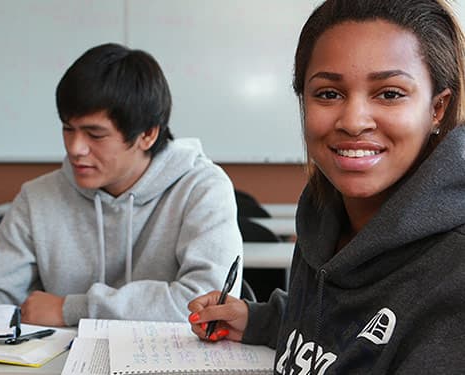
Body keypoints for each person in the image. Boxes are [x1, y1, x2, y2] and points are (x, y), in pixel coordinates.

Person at [188, 0, 465, 373]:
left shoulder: (454, 269)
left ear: (438, 108)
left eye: (390, 93)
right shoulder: (324, 214)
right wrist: (259, 320)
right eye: (328, 94)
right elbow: (344, 326)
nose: (353, 121)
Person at [0, 43, 243, 327]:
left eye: (95, 134)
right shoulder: (39, 197)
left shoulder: (202, 188)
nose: (75, 148)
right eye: (68, 128)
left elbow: (208, 304)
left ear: (147, 134)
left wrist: (71, 309)